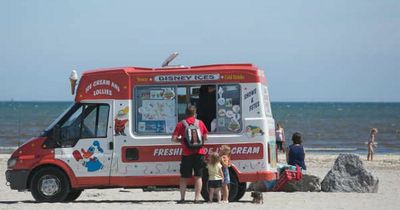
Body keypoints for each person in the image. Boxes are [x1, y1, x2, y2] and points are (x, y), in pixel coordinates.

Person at [171, 105, 208, 203]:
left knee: (184, 177)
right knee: (198, 176)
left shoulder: (181, 124)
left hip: (186, 153)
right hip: (199, 153)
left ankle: (182, 198)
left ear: (185, 113)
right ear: (195, 113)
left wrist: (183, 140)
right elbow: (206, 137)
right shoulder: (200, 123)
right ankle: (196, 199)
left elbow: (173, 139)